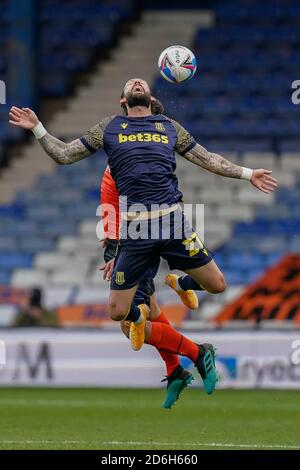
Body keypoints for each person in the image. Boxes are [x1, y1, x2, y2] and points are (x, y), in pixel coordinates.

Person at [9, 78, 278, 396]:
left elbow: (208, 159)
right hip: (136, 232)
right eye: (129, 84)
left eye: (141, 82)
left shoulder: (168, 126)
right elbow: (65, 155)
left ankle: (179, 286)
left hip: (174, 224)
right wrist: (38, 128)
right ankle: (173, 345)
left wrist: (248, 174)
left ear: (150, 97)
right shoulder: (109, 128)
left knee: (217, 285)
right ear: (124, 100)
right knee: (117, 312)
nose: (136, 82)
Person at [100, 97, 195, 408]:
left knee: (131, 322)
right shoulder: (126, 147)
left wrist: (117, 246)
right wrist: (111, 240)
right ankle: (176, 369)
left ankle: (196, 354)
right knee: (150, 311)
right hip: (126, 234)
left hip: (135, 236)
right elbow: (113, 200)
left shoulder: (135, 150)